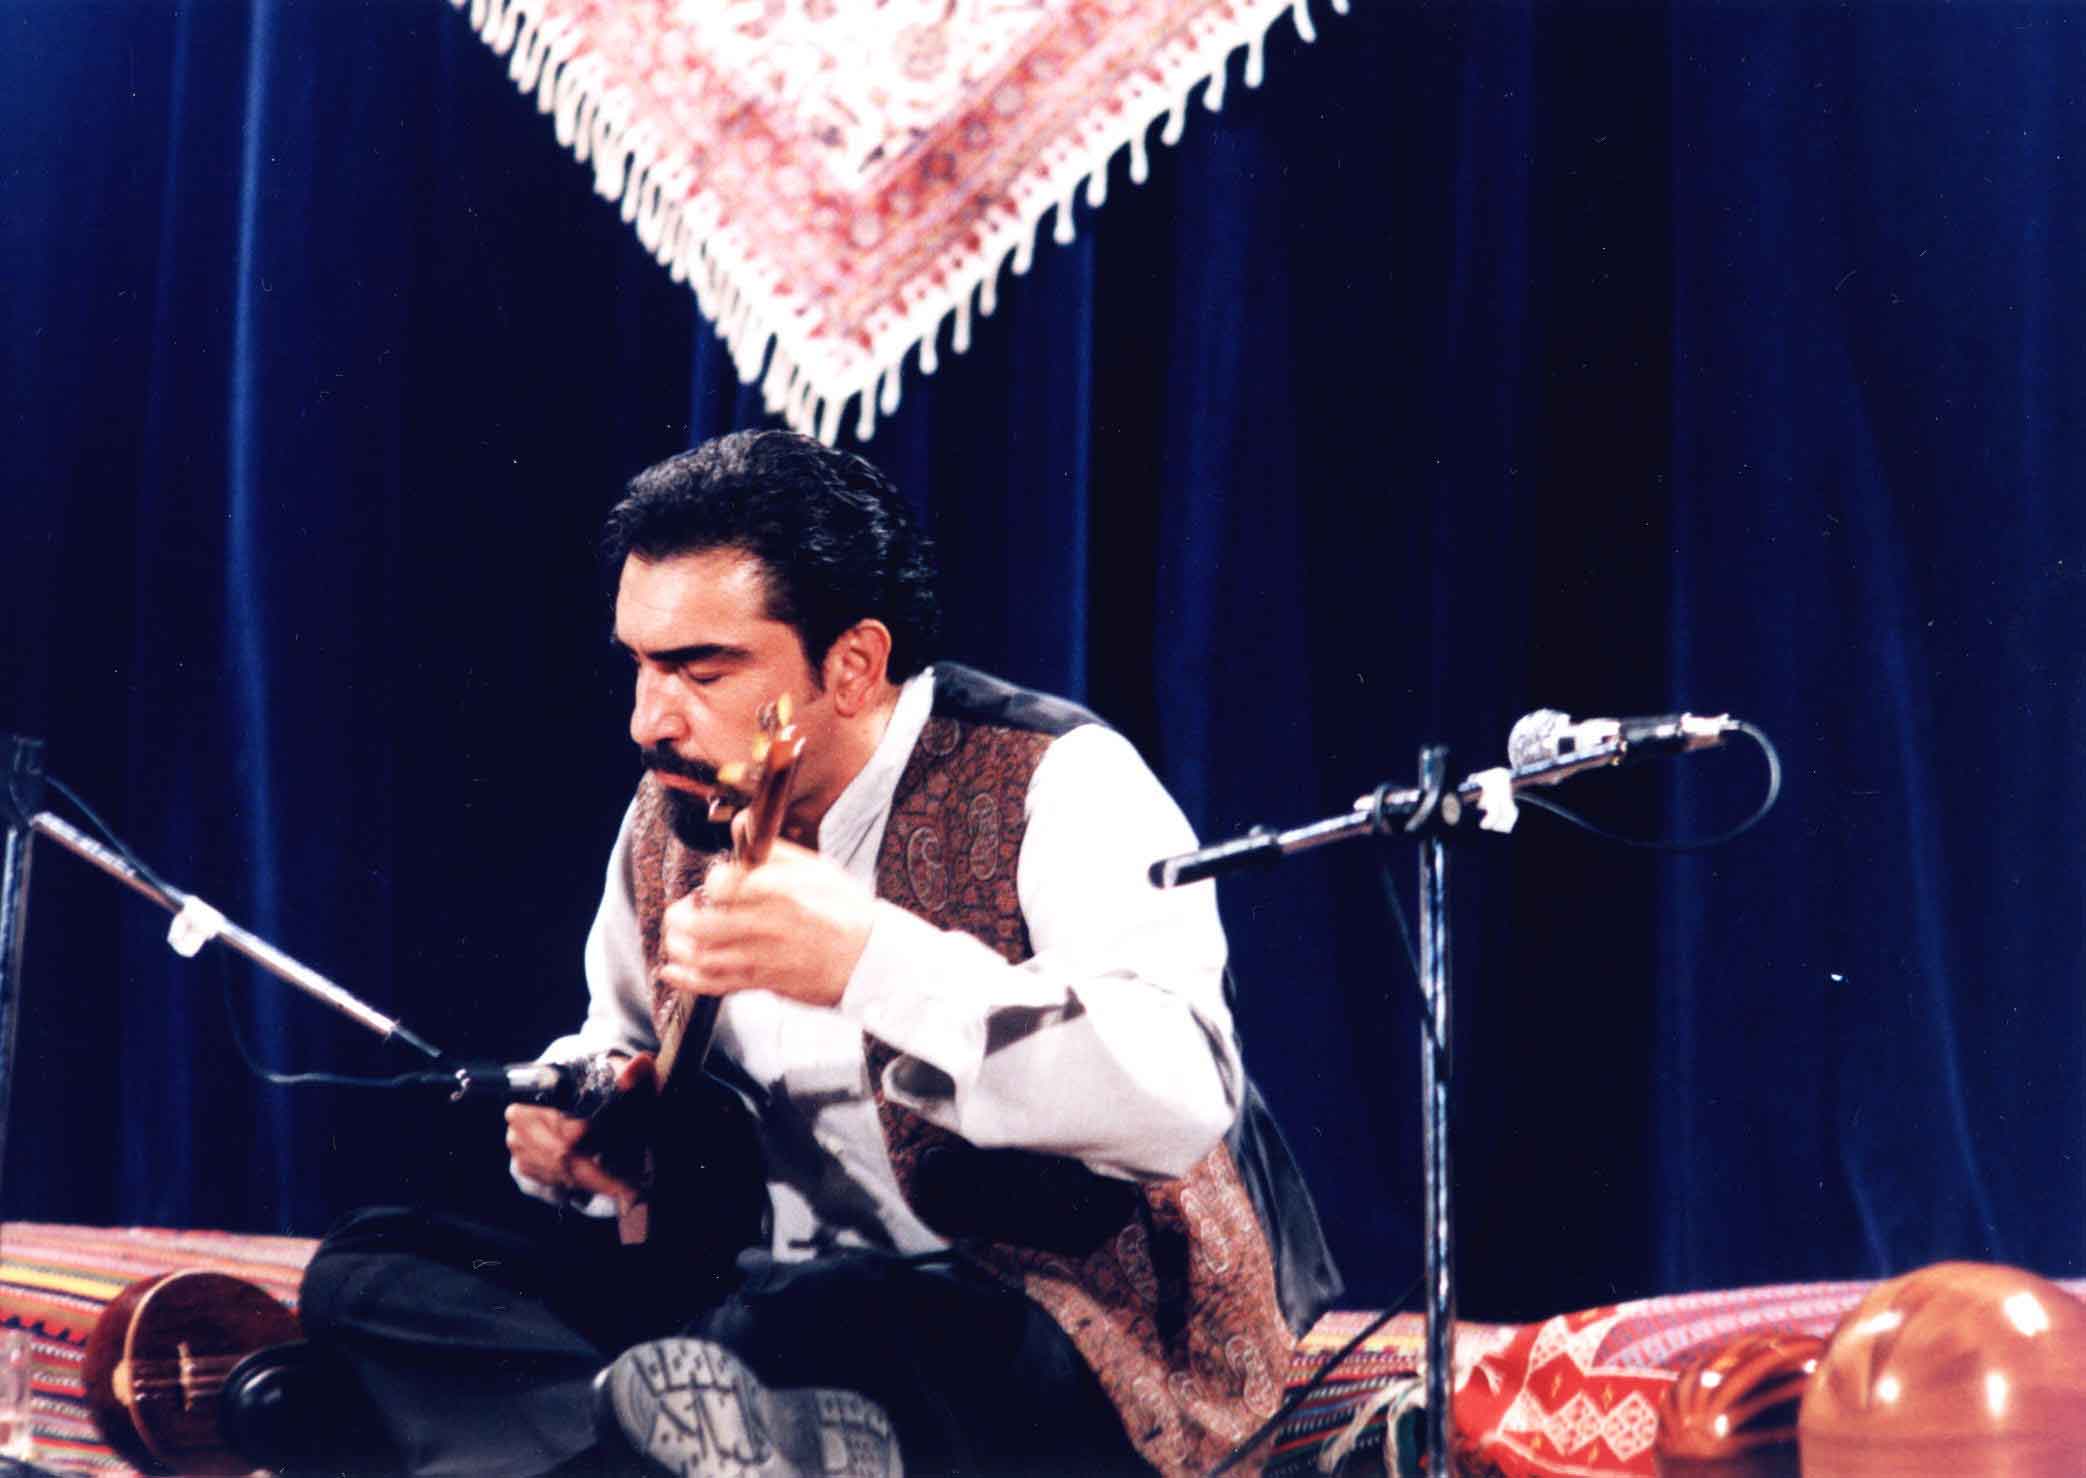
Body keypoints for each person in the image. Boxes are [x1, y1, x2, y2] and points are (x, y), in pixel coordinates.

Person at [228, 431, 1337, 1478]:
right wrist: (579, 1117)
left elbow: (1179, 1094)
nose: (648, 719)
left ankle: (569, 1439)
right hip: (739, 1314)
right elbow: (619, 1036)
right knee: (369, 1268)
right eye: (640, 665)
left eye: (700, 671)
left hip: (1044, 1323)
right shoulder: (671, 817)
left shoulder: (1059, 778)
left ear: (853, 664)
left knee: (807, 1322)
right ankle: (656, 1438)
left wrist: (871, 961)